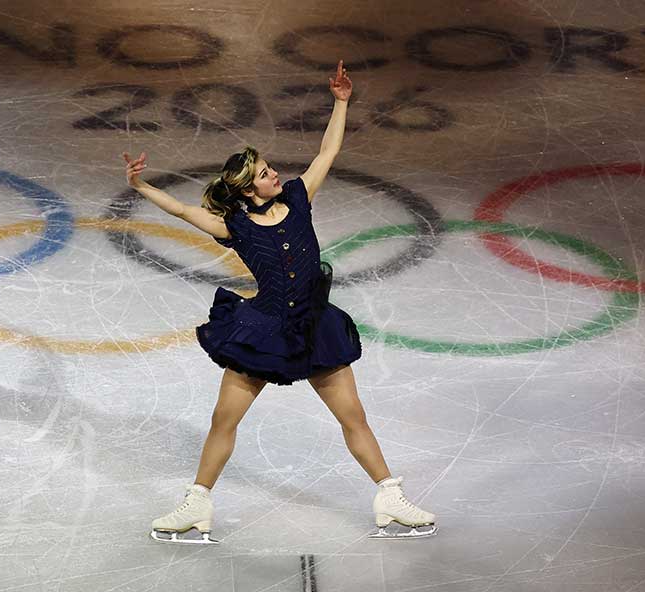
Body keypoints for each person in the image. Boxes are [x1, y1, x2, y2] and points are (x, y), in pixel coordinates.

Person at [122, 61, 435, 544]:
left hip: (315, 329)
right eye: (267, 173)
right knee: (223, 421)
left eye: (272, 170)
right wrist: (141, 186)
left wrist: (341, 102)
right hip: (262, 331)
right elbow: (185, 210)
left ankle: (389, 496)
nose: (276, 174)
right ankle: (196, 504)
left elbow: (328, 150)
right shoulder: (236, 226)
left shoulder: (299, 195)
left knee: (354, 417)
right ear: (249, 189)